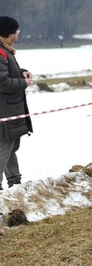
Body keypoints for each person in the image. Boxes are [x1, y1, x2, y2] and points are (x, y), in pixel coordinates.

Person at [0, 16, 33, 190]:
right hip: (4, 110)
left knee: (9, 144)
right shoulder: (0, 51)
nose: (19, 34)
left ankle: (15, 181)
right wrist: (24, 83)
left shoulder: (5, 50)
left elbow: (7, 72)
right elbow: (2, 82)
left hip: (8, 108)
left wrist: (22, 72)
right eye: (17, 31)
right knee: (4, 147)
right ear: (10, 34)